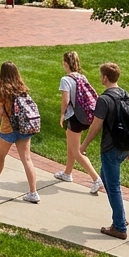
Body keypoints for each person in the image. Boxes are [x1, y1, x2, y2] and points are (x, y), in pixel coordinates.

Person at [81, 62, 129, 240]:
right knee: (106, 178)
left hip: (111, 148)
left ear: (105, 78)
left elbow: (96, 126)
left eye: (101, 75)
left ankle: (119, 227)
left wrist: (84, 145)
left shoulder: (104, 100)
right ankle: (121, 217)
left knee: (113, 186)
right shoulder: (126, 95)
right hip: (124, 146)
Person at [0, 61, 41, 203]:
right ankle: (33, 192)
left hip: (8, 130)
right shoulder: (22, 88)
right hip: (24, 128)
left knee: (0, 156)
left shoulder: (2, 91)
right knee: (27, 159)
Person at [56, 51, 102, 195]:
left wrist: (62, 114)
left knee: (76, 150)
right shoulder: (82, 77)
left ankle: (96, 179)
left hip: (74, 117)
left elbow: (65, 100)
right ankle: (67, 173)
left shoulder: (65, 79)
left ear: (65, 63)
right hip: (85, 117)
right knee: (72, 145)